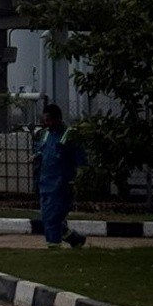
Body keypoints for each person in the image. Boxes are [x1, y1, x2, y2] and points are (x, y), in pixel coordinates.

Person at [32, 104, 86, 249]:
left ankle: (54, 245)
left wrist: (77, 180)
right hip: (45, 182)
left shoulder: (70, 135)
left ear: (58, 119)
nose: (46, 123)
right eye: (45, 120)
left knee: (53, 216)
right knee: (47, 216)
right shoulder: (46, 134)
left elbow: (80, 160)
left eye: (49, 120)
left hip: (61, 184)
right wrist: (37, 157)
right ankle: (74, 239)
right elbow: (43, 151)